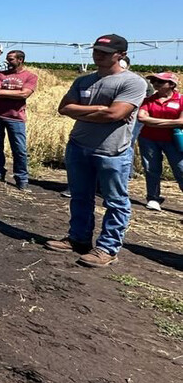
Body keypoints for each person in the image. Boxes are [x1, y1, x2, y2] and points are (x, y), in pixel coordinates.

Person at [46, 34, 146, 267]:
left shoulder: (132, 82)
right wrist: (101, 108)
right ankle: (78, 239)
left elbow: (115, 114)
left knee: (115, 201)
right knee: (80, 197)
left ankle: (108, 248)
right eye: (96, 50)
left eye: (104, 52)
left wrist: (83, 111)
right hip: (79, 146)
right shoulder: (83, 81)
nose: (97, 54)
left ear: (120, 55)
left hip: (112, 152)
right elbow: (64, 108)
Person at [0, 50, 38, 189]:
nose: (8, 62)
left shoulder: (30, 76)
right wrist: (15, 93)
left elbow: (24, 94)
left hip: (16, 117)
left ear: (20, 60)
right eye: (8, 59)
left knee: (19, 149)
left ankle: (21, 177)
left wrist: (1, 92)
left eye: (11, 59)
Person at [137, 72, 183, 211]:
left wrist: (153, 122)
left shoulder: (181, 100)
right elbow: (142, 118)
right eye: (154, 81)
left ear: (171, 85)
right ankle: (153, 198)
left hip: (174, 141)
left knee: (181, 170)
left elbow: (182, 122)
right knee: (151, 169)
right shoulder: (149, 100)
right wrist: (172, 122)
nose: (155, 84)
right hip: (149, 139)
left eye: (160, 81)